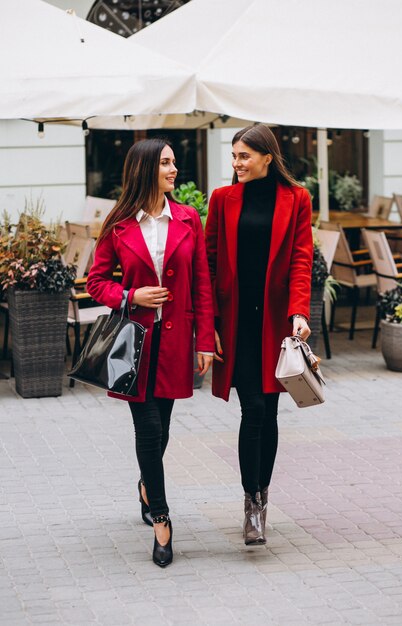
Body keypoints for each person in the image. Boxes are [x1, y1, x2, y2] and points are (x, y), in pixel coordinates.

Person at [87, 138, 214, 567]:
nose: (174, 169)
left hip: (177, 341)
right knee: (147, 429)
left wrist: (204, 341)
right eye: (165, 163)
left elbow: (202, 285)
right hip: (133, 344)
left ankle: (146, 486)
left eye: (174, 162)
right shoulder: (119, 223)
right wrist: (131, 295)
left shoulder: (188, 218)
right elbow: (96, 282)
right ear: (144, 169)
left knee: (163, 428)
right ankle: (162, 518)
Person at [205, 124, 312, 545]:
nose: (237, 164)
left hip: (274, 322)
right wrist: (209, 321)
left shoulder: (297, 198)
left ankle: (262, 496)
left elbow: (302, 258)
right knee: (253, 408)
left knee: (269, 411)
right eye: (234, 157)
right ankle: (252, 502)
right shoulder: (223, 199)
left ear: (268, 156)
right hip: (237, 323)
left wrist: (299, 310)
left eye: (244, 156)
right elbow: (209, 263)